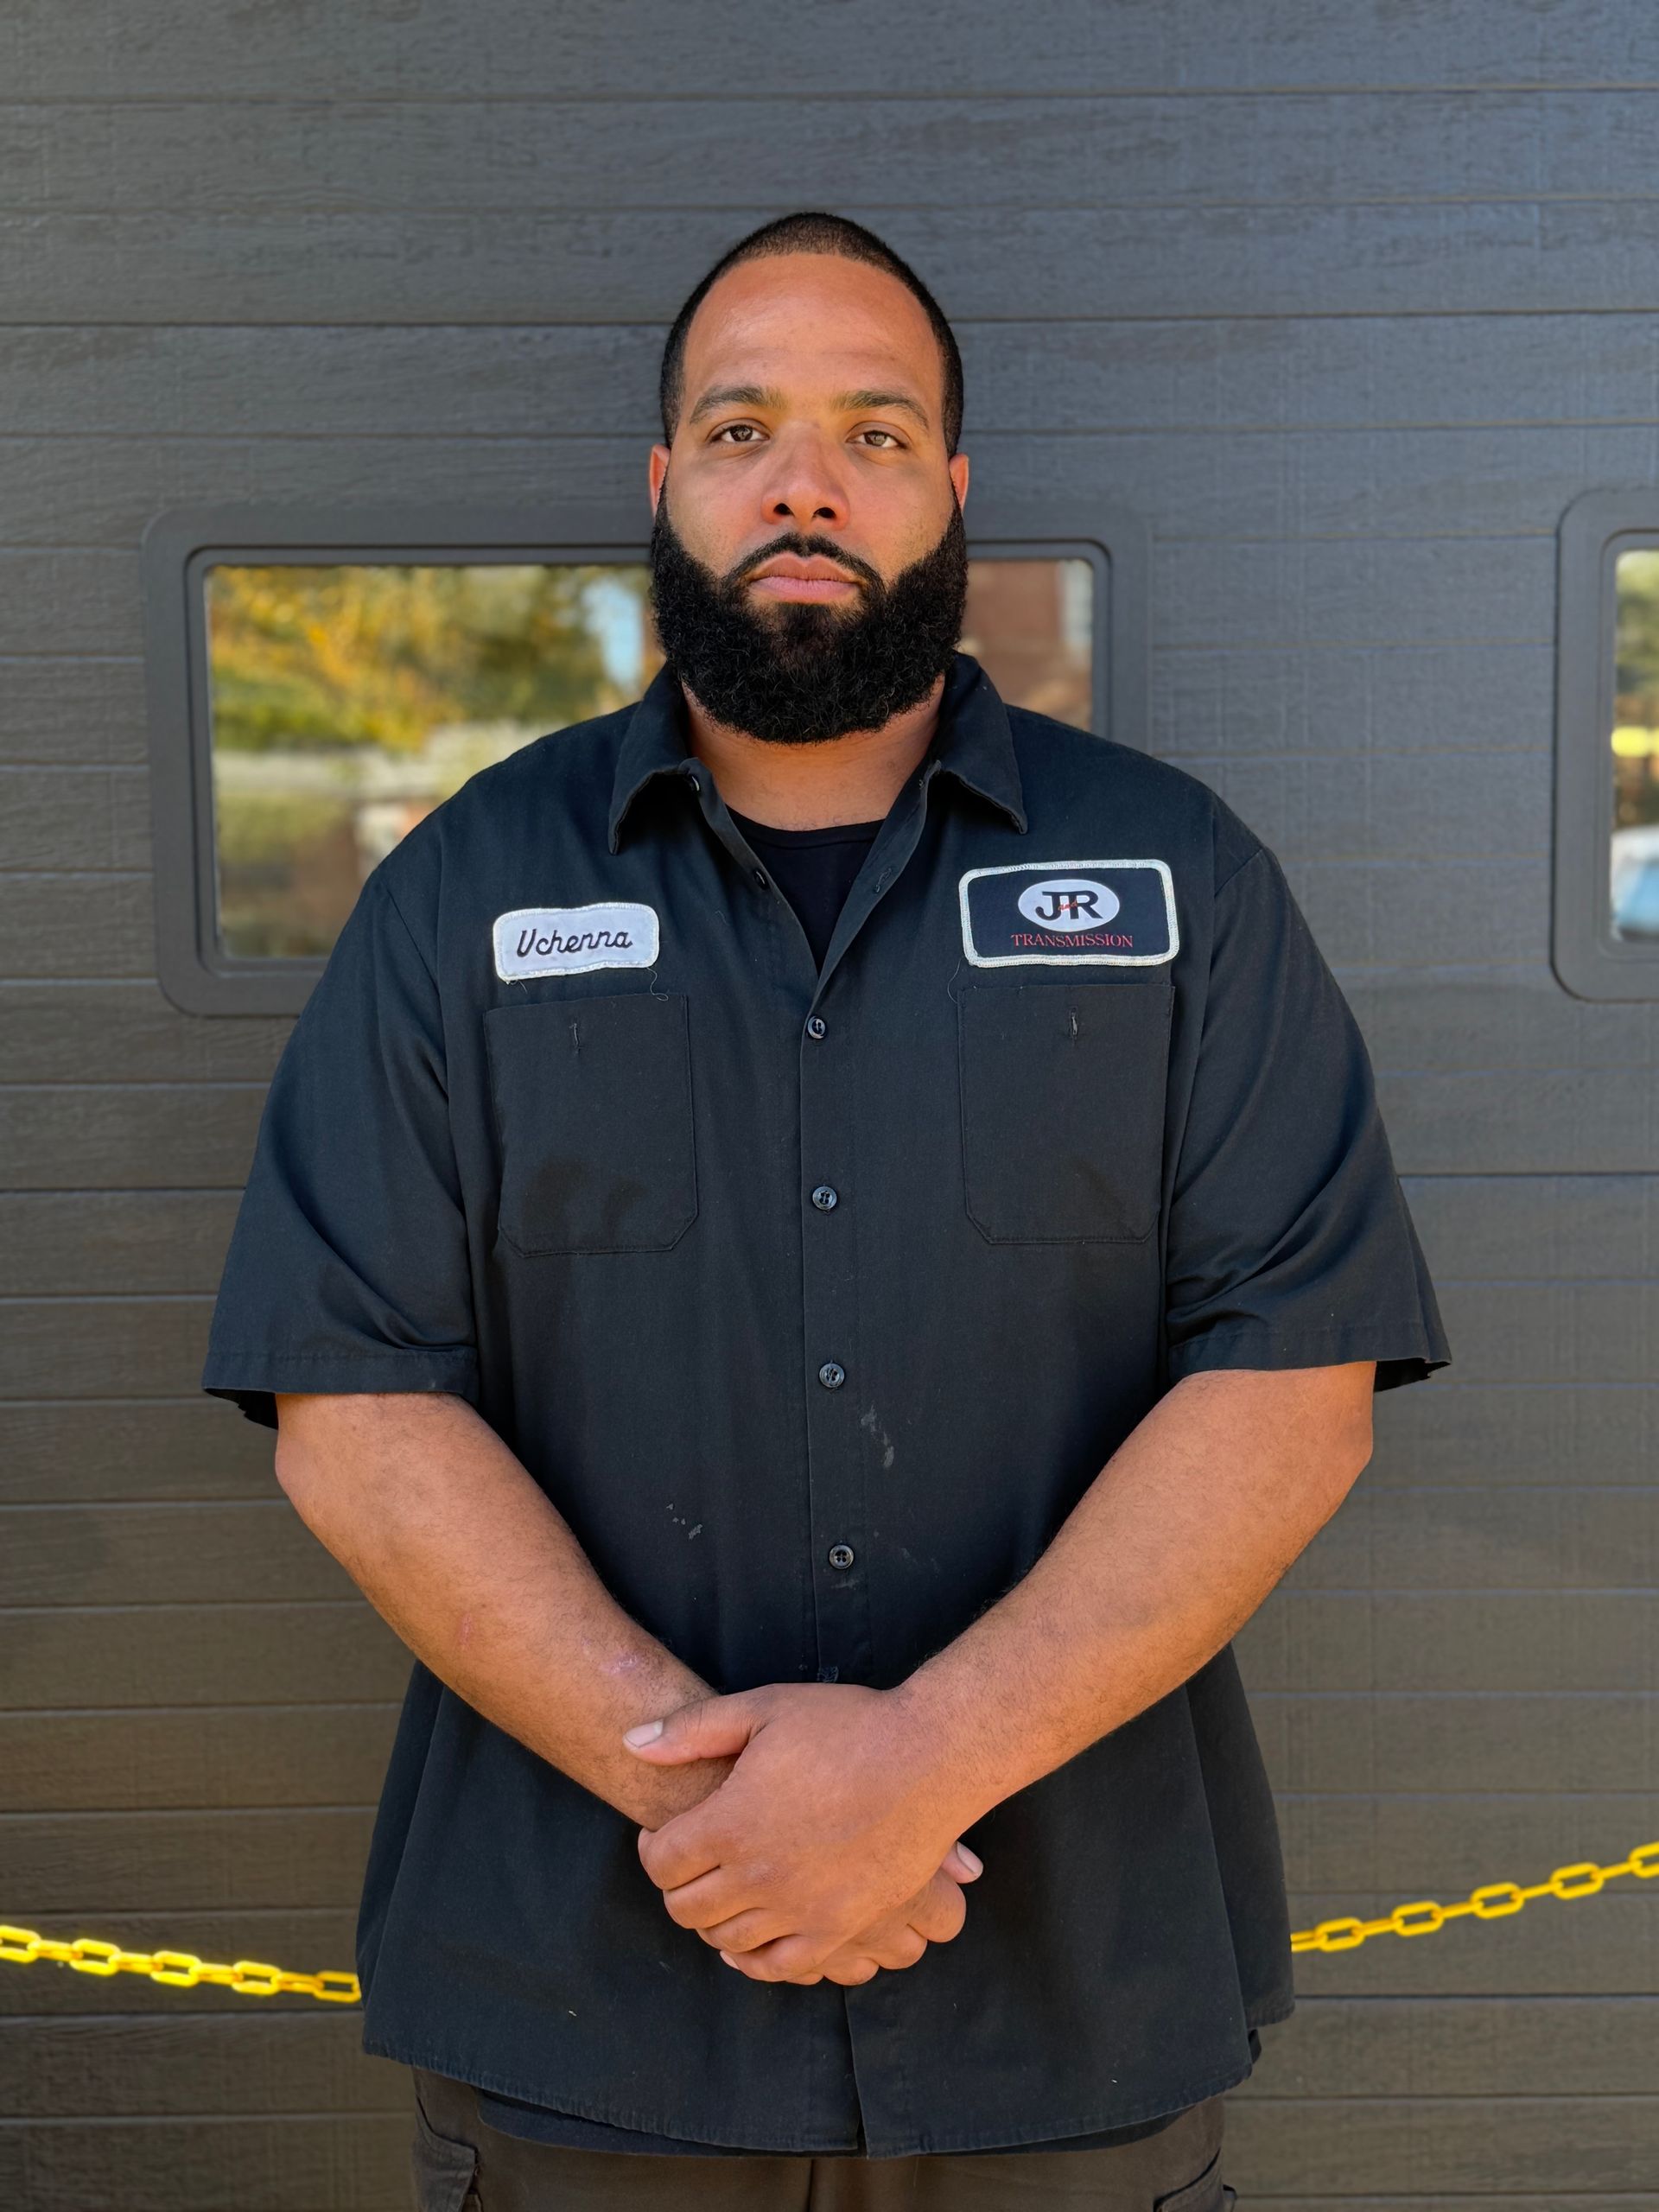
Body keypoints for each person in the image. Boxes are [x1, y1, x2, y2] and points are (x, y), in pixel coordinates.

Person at [201, 210, 1451, 2210]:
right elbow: (355, 1408)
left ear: (955, 492)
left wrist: (916, 1767)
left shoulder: (1177, 879)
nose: (803, 478)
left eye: (874, 433)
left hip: (1068, 2007)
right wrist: (727, 1809)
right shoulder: (463, 889)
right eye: (741, 427)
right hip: (583, 2016)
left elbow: (1295, 1388)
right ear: (664, 487)